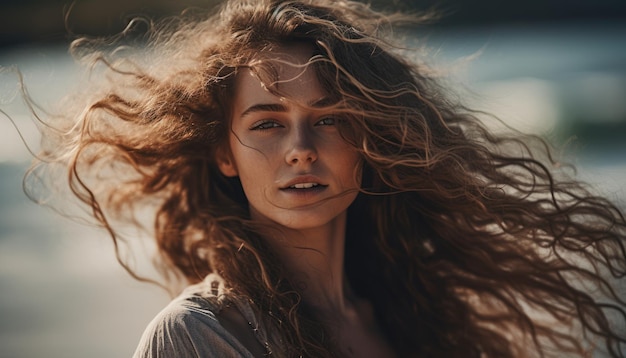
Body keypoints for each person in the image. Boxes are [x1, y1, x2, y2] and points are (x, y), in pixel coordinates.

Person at [26, 0, 626, 357]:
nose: (301, 150)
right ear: (224, 153)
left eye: (331, 119)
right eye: (266, 123)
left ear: (370, 140)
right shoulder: (201, 338)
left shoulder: (410, 319)